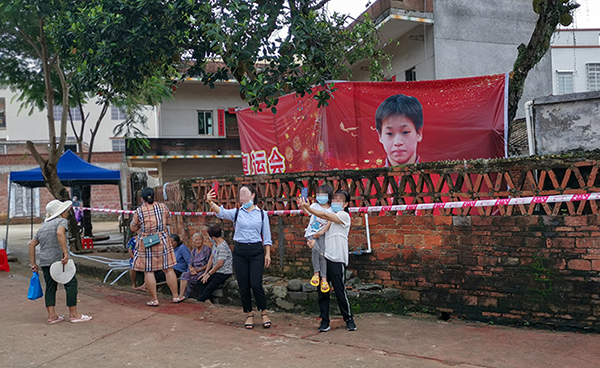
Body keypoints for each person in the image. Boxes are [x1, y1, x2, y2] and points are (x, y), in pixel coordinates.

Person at [206, 184, 273, 330]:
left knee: (256, 284)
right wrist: (210, 202)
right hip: (240, 250)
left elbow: (267, 236)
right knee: (243, 285)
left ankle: (264, 312)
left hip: (256, 250)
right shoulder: (237, 212)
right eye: (240, 194)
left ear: (253, 195)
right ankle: (249, 313)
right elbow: (220, 212)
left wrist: (267, 253)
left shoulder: (261, 214)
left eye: (245, 193)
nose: (242, 196)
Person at [298, 190, 357, 332]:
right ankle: (324, 320)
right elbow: (317, 228)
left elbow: (324, 215)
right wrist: (312, 241)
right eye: (334, 200)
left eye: (340, 200)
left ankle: (348, 318)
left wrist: (308, 208)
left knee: (339, 290)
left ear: (346, 204)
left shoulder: (344, 216)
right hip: (323, 257)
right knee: (322, 290)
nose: (336, 202)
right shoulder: (328, 217)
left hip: (337, 258)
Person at [28, 199, 92, 324]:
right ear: (61, 212)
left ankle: (52, 316)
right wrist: (65, 253)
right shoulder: (61, 221)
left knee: (50, 287)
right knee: (71, 284)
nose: (67, 213)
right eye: (66, 211)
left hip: (45, 262)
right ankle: (74, 314)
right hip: (60, 261)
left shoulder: (43, 227)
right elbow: (59, 233)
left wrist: (33, 263)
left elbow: (31, 244)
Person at [130, 187, 183, 306]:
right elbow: (169, 222)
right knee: (168, 268)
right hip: (162, 239)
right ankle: (175, 296)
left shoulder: (139, 211)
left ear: (142, 198)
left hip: (147, 240)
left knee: (149, 271)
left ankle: (154, 299)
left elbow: (133, 228)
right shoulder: (163, 207)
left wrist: (141, 228)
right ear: (154, 196)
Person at [375, 94, 424, 166]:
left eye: (405, 132)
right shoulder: (371, 177)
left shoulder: (439, 177)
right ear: (380, 136)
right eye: (389, 133)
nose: (398, 142)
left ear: (419, 133)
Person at [304, 185, 333, 293]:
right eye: (319, 194)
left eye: (323, 194)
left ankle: (324, 279)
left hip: (323, 234)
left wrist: (321, 232)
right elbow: (306, 211)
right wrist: (304, 205)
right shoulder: (315, 205)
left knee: (322, 254)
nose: (320, 197)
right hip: (311, 233)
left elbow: (329, 223)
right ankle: (316, 273)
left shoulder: (331, 209)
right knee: (315, 250)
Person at [195, 224, 234, 303]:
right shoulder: (215, 244)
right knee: (201, 282)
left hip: (224, 272)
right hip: (215, 271)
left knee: (209, 287)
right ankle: (207, 300)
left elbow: (220, 264)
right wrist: (205, 273)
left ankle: (200, 301)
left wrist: (209, 274)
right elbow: (211, 258)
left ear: (212, 237)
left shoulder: (223, 247)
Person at [177, 233, 212, 300]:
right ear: (193, 241)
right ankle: (181, 295)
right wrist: (191, 268)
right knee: (184, 275)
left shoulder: (207, 249)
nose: (198, 241)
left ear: (202, 240)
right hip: (195, 271)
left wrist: (198, 270)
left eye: (199, 240)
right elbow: (190, 263)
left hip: (203, 271)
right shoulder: (193, 251)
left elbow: (209, 263)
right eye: (196, 240)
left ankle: (188, 296)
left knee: (191, 280)